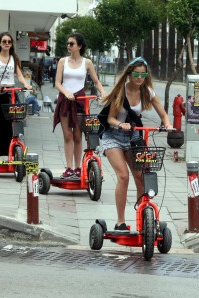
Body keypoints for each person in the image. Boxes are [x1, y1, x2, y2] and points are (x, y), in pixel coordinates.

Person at [99, 57, 172, 232]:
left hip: (133, 138)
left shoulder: (147, 92)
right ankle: (120, 222)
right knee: (123, 176)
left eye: (143, 74)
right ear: (130, 74)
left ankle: (142, 220)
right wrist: (120, 124)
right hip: (113, 136)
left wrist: (167, 124)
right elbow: (110, 118)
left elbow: (163, 114)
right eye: (136, 74)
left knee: (140, 176)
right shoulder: (121, 91)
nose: (139, 77)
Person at [53, 32, 106, 179]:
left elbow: (96, 81)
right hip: (65, 100)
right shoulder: (63, 61)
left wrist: (103, 92)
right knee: (67, 135)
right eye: (68, 43)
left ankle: (78, 168)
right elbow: (57, 83)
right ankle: (69, 168)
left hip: (80, 100)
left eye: (72, 44)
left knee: (78, 135)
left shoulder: (87, 62)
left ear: (80, 46)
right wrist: (66, 92)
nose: (68, 46)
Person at [0, 32, 32, 160]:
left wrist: (26, 84)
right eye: (4, 41)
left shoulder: (14, 58)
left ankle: (10, 153)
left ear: (11, 44)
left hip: (10, 93)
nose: (6, 43)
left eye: (9, 42)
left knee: (11, 123)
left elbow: (19, 75)